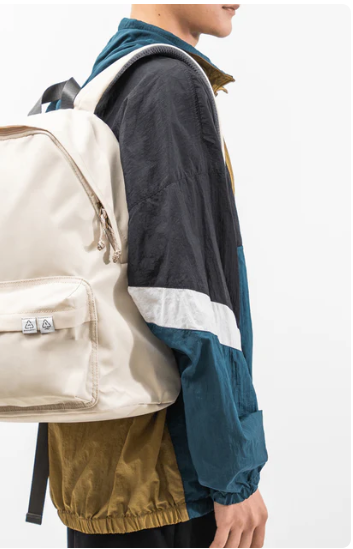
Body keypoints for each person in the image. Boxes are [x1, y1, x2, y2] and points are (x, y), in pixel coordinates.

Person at [49, 5, 267, 548]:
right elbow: (188, 302)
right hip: (164, 482)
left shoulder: (101, 85)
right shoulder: (167, 85)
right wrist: (234, 475)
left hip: (96, 471)